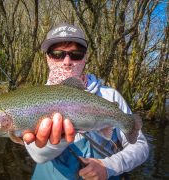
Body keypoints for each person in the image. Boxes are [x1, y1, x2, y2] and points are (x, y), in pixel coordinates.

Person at [23, 23, 149, 180]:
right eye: (57, 54)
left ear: (85, 58)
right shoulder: (31, 100)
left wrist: (109, 166)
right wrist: (53, 142)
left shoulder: (110, 96)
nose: (67, 61)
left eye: (76, 54)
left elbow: (140, 146)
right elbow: (38, 156)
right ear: (47, 58)